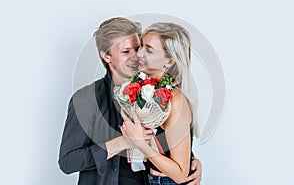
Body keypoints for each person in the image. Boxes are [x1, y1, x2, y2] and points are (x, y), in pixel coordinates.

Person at [58, 17, 202, 185]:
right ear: (107, 56)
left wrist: (192, 163)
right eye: (126, 52)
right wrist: (120, 143)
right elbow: (68, 162)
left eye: (138, 48)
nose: (136, 56)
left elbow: (172, 148)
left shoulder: (157, 91)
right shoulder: (86, 99)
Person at [120, 22, 198, 185]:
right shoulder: (143, 89)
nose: (139, 53)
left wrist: (140, 144)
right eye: (141, 45)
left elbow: (180, 174)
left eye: (148, 50)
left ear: (169, 61)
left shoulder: (176, 100)